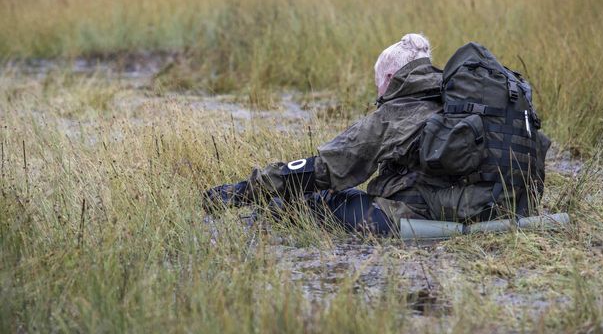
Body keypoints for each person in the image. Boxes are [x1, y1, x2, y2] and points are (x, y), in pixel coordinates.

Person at [204, 33, 550, 236]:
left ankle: (253, 222)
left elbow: (323, 170)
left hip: (437, 218)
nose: (379, 94)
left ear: (388, 80)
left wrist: (243, 191)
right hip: (509, 206)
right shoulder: (458, 102)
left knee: (319, 202)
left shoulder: (394, 115)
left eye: (378, 86)